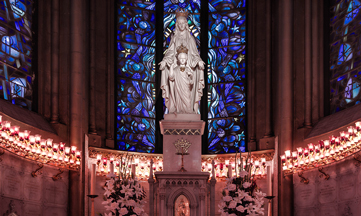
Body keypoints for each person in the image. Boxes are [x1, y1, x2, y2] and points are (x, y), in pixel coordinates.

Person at [159, 9, 205, 114]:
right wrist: (165, 61)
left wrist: (199, 62)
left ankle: (189, 110)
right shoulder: (174, 38)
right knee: (176, 93)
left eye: (183, 23)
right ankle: (175, 108)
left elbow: (194, 54)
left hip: (188, 69)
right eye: (178, 24)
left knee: (188, 95)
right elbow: (170, 53)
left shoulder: (191, 39)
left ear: (186, 24)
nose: (181, 26)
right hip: (176, 70)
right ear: (177, 25)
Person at [168, 45, 194, 113]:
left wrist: (191, 76)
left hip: (186, 89)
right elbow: (171, 77)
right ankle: (179, 110)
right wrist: (171, 68)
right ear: (178, 59)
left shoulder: (188, 69)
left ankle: (188, 112)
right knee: (179, 101)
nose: (182, 60)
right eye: (181, 58)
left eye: (184, 58)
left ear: (186, 59)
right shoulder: (175, 69)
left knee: (188, 101)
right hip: (178, 89)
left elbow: (191, 81)